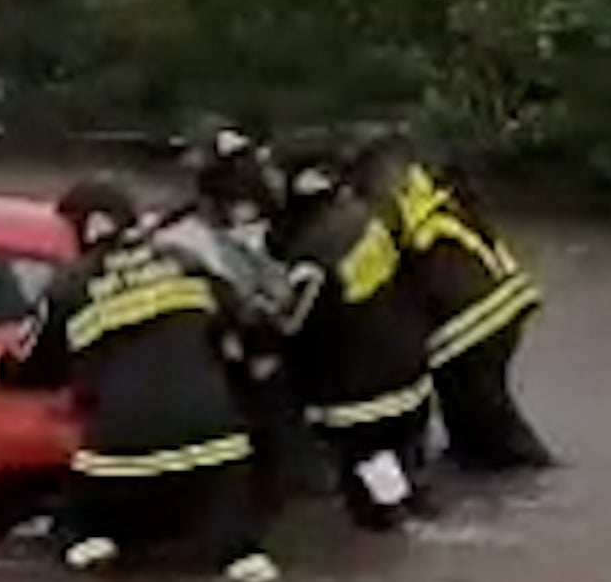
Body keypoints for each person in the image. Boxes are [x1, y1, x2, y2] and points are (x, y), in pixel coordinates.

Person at [0, 176, 281, 582]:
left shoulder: (69, 286)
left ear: (85, 227)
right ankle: (241, 558)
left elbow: (35, 366)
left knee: (83, 543)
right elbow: (253, 329)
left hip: (121, 457)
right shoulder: (186, 262)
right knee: (239, 554)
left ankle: (96, 549)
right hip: (214, 448)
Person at [346, 132, 555, 474]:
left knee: (488, 414)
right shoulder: (433, 193)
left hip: (469, 324)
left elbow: (380, 261)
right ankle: (481, 466)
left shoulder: (394, 202)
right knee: (469, 412)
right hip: (500, 306)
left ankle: (530, 473)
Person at [147, 123, 317, 515]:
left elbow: (269, 293)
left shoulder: (234, 234)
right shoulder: (189, 240)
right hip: (231, 368)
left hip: (249, 366)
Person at [269, 153, 437, 529]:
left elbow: (291, 326)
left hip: (360, 394)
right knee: (404, 468)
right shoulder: (372, 219)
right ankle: (415, 511)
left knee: (371, 497)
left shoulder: (312, 254)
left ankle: (393, 530)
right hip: (411, 373)